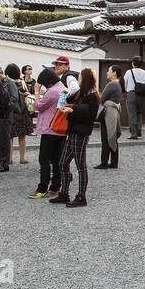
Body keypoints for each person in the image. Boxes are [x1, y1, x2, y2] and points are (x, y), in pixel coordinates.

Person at [54, 68, 98, 208]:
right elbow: (66, 102)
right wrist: (65, 94)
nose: (78, 80)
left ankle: (81, 196)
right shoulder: (81, 93)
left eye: (79, 78)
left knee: (81, 165)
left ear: (85, 79)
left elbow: (91, 115)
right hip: (73, 131)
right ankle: (64, 192)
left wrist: (73, 110)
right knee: (63, 162)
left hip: (81, 133)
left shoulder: (93, 95)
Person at [29, 68, 66, 199]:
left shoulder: (52, 92)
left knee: (44, 159)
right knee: (56, 160)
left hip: (49, 129)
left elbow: (38, 106)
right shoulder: (62, 87)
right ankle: (55, 187)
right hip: (60, 129)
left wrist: (37, 92)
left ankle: (42, 188)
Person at [95, 65, 123, 169]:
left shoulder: (111, 84)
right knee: (112, 136)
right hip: (113, 112)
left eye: (109, 71)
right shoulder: (118, 84)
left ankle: (104, 162)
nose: (107, 73)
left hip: (108, 113)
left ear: (114, 73)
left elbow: (101, 99)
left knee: (106, 137)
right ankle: (114, 162)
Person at [122, 57, 145, 139]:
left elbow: (124, 84)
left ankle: (133, 133)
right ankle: (139, 131)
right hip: (141, 95)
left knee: (132, 114)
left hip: (131, 93)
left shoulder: (129, 72)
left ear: (133, 63)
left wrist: (125, 92)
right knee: (139, 113)